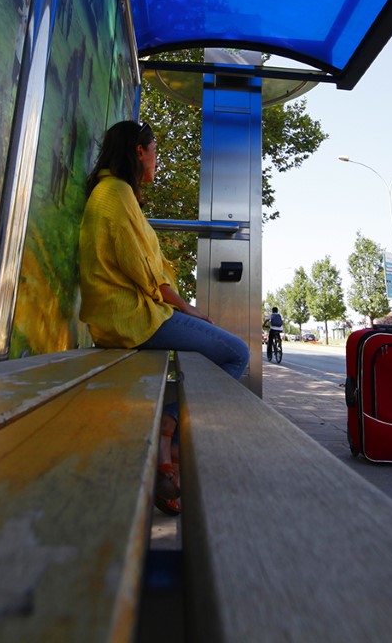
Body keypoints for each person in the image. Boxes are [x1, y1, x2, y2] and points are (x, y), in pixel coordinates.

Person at [79, 120, 249, 514]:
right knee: (236, 353)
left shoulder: (108, 191)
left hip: (118, 319)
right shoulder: (117, 193)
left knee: (203, 352)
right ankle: (168, 430)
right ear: (139, 151)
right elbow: (145, 272)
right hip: (133, 320)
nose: (157, 160)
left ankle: (166, 440)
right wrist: (188, 309)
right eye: (155, 151)